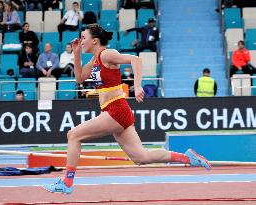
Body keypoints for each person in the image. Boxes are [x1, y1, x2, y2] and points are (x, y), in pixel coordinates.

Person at [43, 24, 211, 194]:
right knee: (141, 158)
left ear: (94, 41)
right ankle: (187, 157)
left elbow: (136, 60)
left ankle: (67, 182)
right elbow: (79, 78)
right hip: (116, 111)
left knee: (73, 135)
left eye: (83, 37)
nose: (81, 40)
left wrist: (137, 86)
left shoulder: (107, 54)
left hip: (116, 109)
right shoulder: (94, 60)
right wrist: (77, 53)